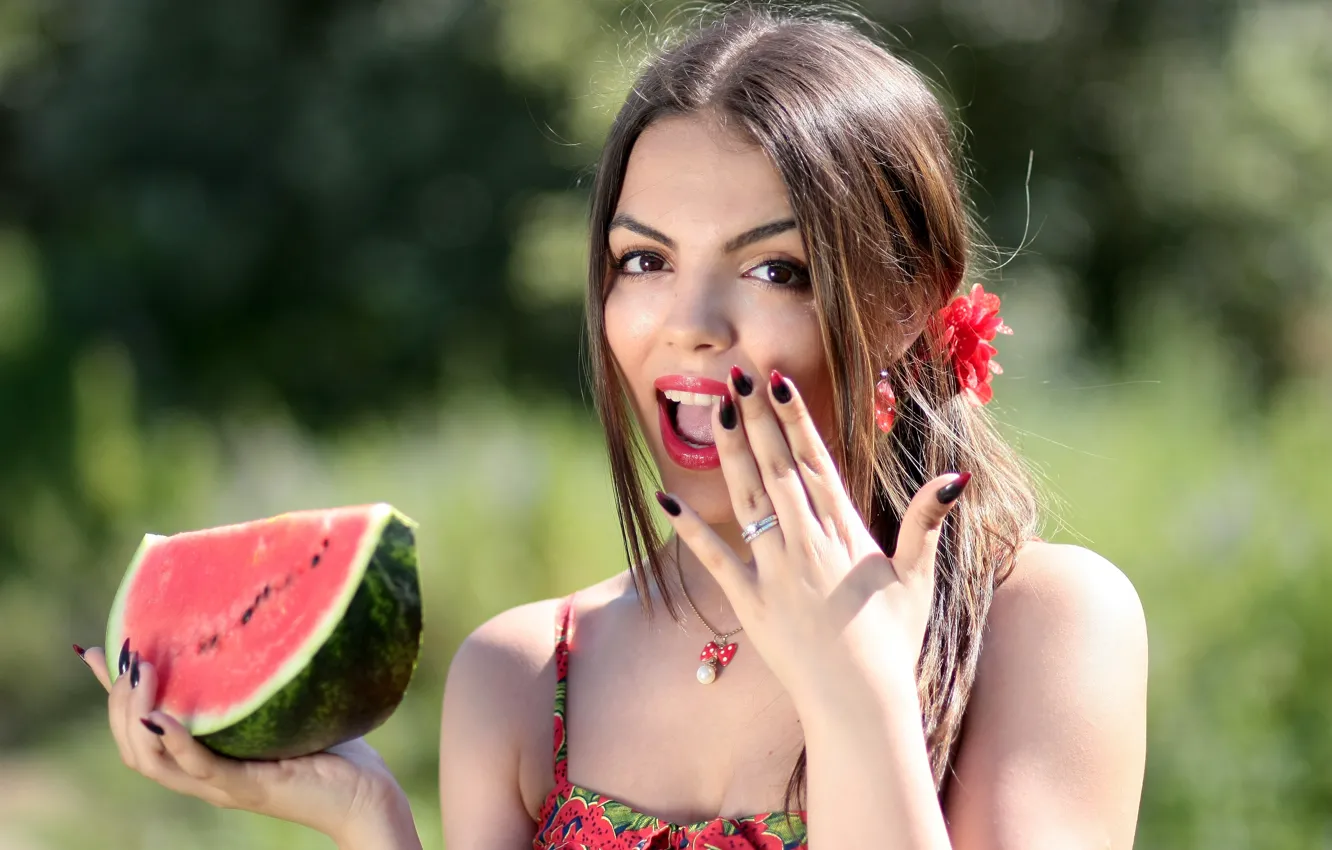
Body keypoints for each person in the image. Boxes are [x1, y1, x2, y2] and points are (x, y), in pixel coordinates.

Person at [76, 7, 1149, 849]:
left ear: (909, 300)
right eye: (645, 261)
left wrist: (857, 691)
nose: (687, 327)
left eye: (773, 269)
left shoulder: (1043, 624)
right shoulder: (523, 674)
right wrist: (368, 818)